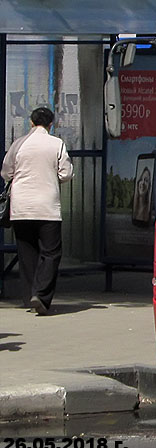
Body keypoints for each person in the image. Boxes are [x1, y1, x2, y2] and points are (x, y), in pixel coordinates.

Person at [1, 107, 74, 315]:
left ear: (31, 123)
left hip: (21, 208)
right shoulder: (56, 143)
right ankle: (41, 294)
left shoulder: (18, 144)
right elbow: (66, 173)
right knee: (51, 252)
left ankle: (29, 297)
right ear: (51, 125)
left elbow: (6, 172)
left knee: (27, 253)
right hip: (47, 207)